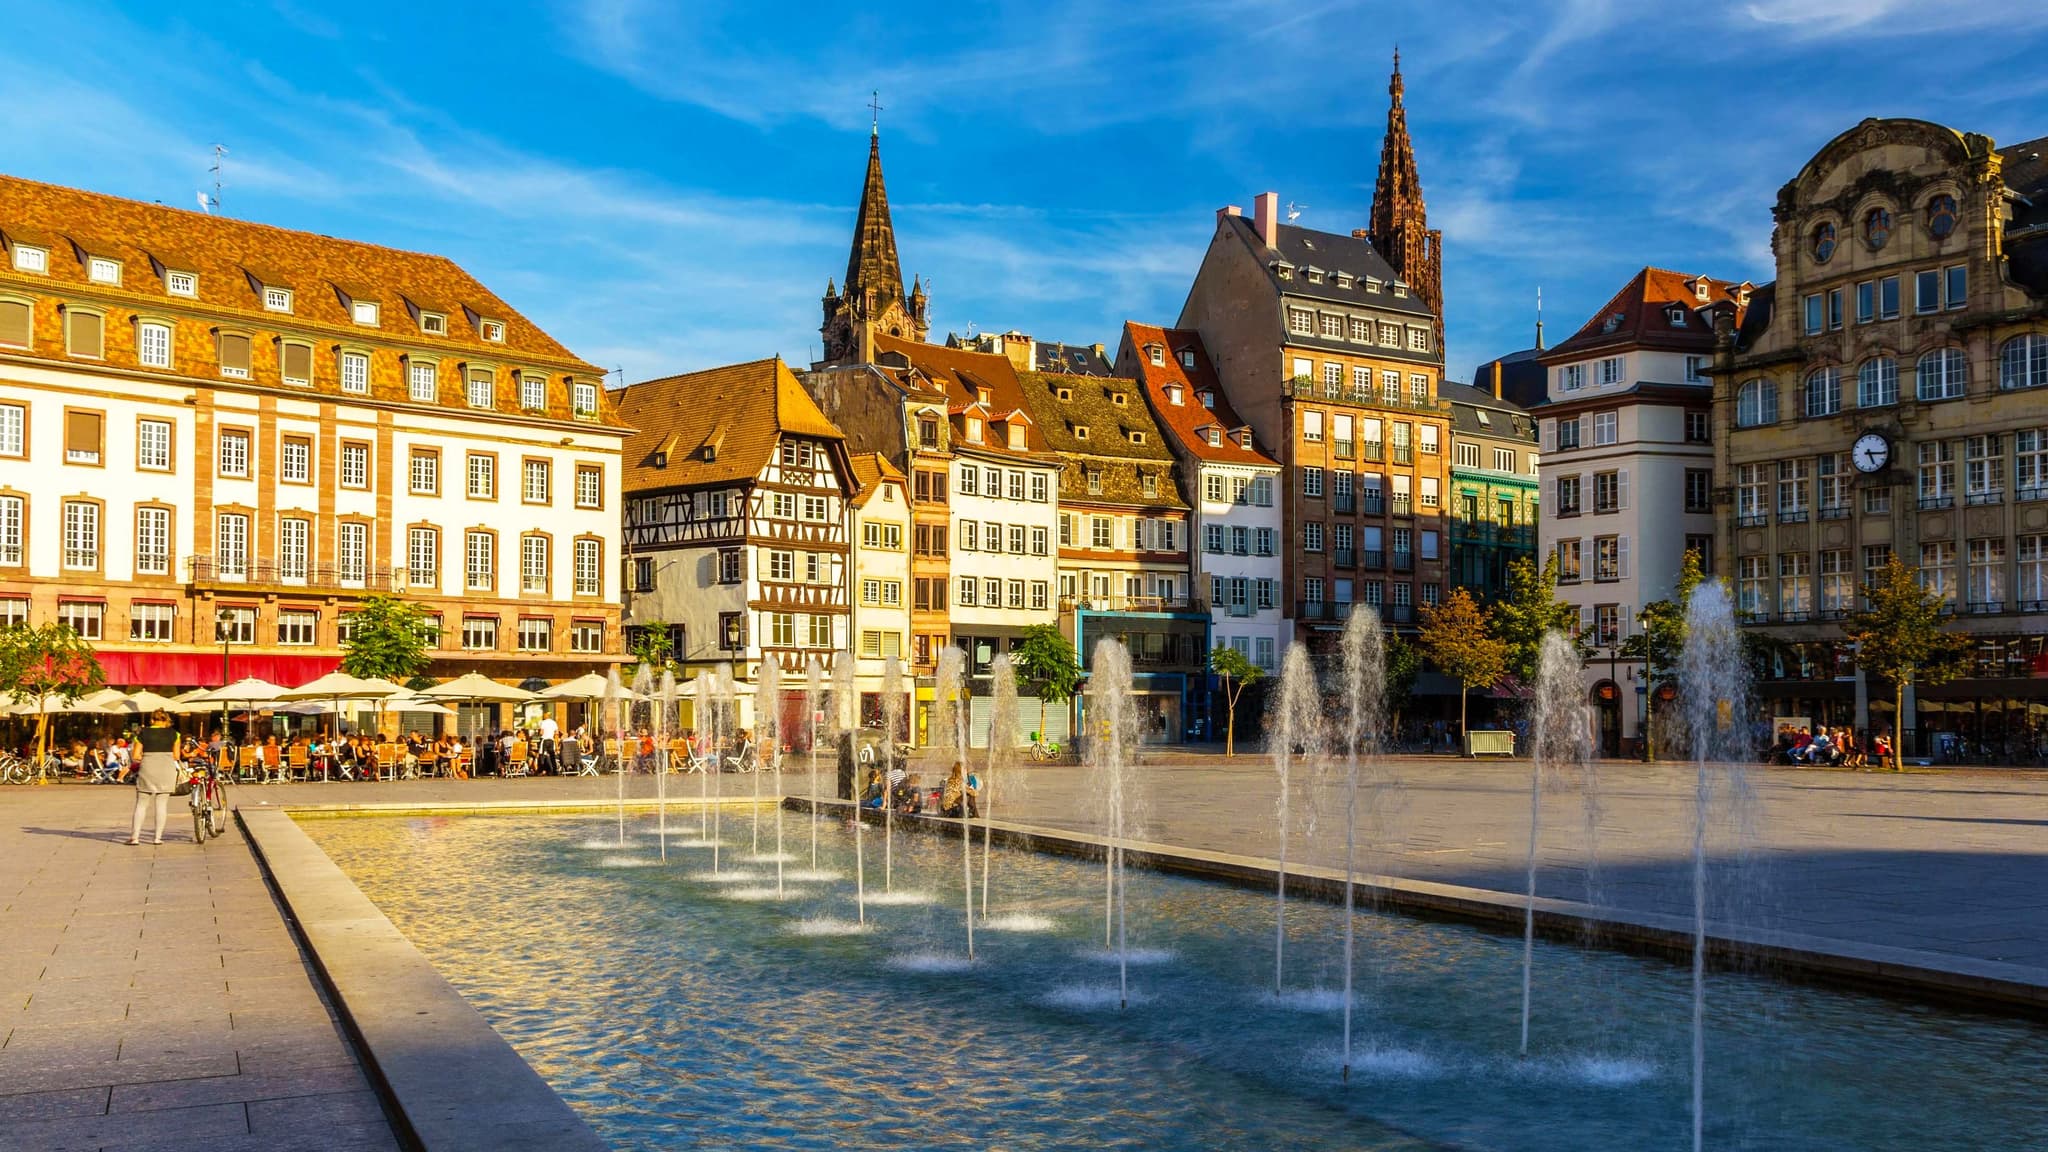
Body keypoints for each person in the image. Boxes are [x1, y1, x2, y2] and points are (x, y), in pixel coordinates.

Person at [128, 711, 182, 845]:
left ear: (152, 720)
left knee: (141, 804)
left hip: (148, 768)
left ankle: (135, 838)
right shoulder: (175, 734)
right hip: (166, 769)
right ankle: (157, 838)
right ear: (166, 720)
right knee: (161, 804)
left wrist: (147, 757)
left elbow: (135, 755)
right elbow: (176, 756)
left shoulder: (142, 733)